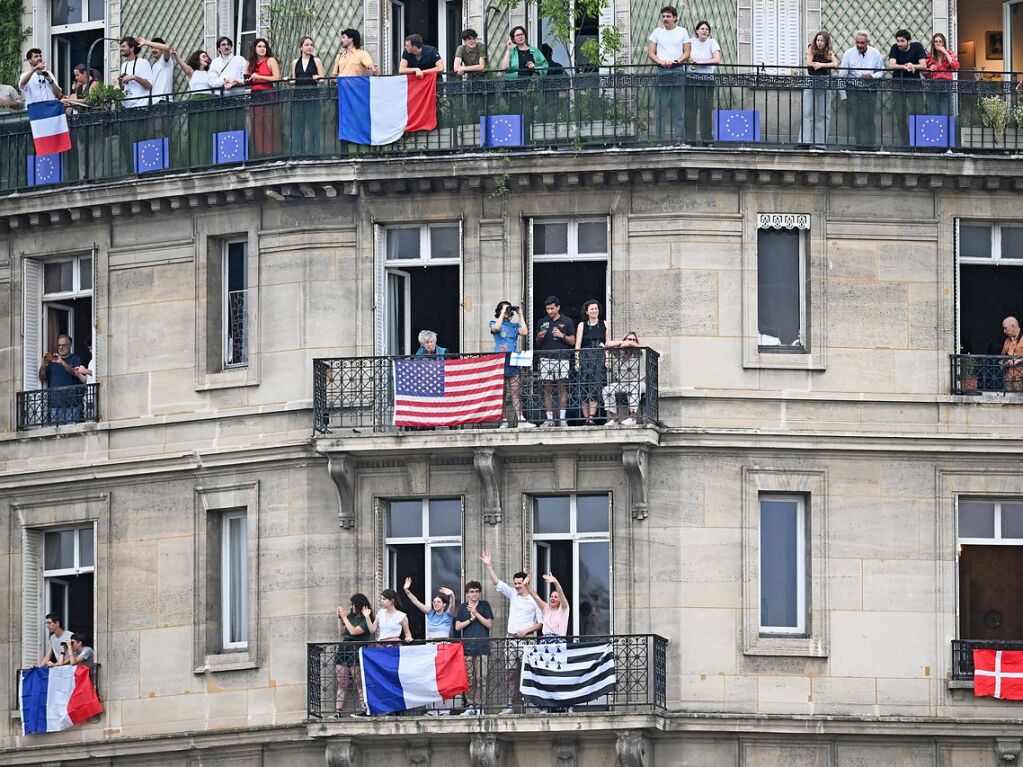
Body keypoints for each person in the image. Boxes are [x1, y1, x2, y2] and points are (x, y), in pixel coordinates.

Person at [480, 550, 543, 713]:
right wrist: (489, 566)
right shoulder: (513, 594)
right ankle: (509, 705)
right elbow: (497, 583)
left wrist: (527, 630)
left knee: (529, 672)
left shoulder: (533, 600)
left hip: (527, 640)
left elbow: (541, 623)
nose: (516, 586)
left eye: (519, 583)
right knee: (511, 674)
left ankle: (532, 704)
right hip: (510, 639)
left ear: (526, 583)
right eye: (515, 583)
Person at [647, 7, 690, 140]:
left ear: (675, 17)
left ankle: (679, 138)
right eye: (664, 16)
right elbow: (650, 53)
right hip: (662, 71)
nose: (665, 19)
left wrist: (676, 61)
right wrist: (660, 61)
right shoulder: (657, 32)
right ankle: (660, 139)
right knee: (661, 107)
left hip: (677, 70)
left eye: (668, 16)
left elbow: (687, 52)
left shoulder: (682, 31)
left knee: (678, 107)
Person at [491, 301, 535, 429]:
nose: (507, 312)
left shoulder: (514, 326)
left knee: (515, 391)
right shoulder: (494, 322)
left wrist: (520, 315)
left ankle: (521, 420)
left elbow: (525, 331)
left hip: (513, 360)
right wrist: (502, 311)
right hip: (500, 360)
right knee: (502, 393)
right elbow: (496, 329)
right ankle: (503, 420)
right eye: (505, 310)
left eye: (508, 310)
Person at [839, 31, 885, 149]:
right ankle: (860, 145)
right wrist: (843, 96)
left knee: (869, 118)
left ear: (868, 42)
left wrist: (872, 76)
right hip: (853, 90)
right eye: (857, 42)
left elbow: (882, 71)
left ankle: (870, 145)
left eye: (862, 43)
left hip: (870, 90)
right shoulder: (848, 54)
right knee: (857, 118)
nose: (859, 45)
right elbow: (842, 76)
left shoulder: (875, 53)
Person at [536, 296, 576, 427]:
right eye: (547, 309)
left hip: (562, 358)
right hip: (545, 358)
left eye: (552, 308)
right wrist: (539, 337)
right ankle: (549, 419)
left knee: (562, 388)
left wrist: (561, 335)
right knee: (546, 389)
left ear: (558, 307)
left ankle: (562, 419)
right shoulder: (542, 321)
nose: (550, 311)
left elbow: (573, 341)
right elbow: (537, 343)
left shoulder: (567, 321)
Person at [454, 581, 493, 715]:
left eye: (476, 591)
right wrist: (470, 619)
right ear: (467, 594)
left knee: (482, 677)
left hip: (482, 647)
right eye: (471, 591)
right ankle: (470, 705)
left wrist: (476, 613)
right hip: (467, 648)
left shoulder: (484, 605)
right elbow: (457, 627)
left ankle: (480, 706)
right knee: (469, 678)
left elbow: (489, 624)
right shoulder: (462, 607)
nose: (474, 594)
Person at [171, 48, 216, 166]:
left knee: (208, 132)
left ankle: (208, 161)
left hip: (208, 104)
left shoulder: (210, 73)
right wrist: (176, 55)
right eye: (203, 56)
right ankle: (196, 162)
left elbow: (213, 90)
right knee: (196, 133)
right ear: (198, 59)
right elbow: (182, 64)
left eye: (207, 56)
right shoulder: (192, 72)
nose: (206, 58)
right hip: (196, 103)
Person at [887, 30, 927, 147]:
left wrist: (912, 66)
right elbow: (892, 65)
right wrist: (906, 67)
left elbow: (923, 65)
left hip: (914, 84)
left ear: (909, 41)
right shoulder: (894, 48)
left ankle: (918, 142)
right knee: (900, 115)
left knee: (918, 113)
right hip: (898, 84)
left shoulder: (917, 47)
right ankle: (906, 143)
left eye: (902, 41)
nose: (899, 43)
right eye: (898, 41)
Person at [335, 593, 372, 715]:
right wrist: (340, 619)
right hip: (344, 648)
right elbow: (342, 632)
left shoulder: (365, 620)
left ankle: (365, 709)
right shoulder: (350, 616)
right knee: (341, 681)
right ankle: (338, 711)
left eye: (353, 604)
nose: (351, 607)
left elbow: (354, 631)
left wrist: (345, 617)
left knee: (359, 682)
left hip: (356, 649)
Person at [685, 21, 719, 146]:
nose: (705, 31)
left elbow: (716, 60)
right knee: (690, 110)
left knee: (706, 110)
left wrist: (701, 62)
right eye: (702, 28)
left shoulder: (712, 42)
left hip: (707, 80)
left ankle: (707, 140)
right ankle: (690, 140)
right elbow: (685, 54)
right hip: (691, 78)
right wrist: (690, 59)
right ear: (697, 31)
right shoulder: (691, 42)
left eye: (707, 29)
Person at [290, 36, 326, 156]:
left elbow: (322, 79)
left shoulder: (316, 61)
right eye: (306, 45)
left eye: (311, 45)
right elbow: (294, 80)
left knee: (313, 125)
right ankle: (298, 153)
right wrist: (287, 80)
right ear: (301, 47)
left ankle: (314, 153)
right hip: (298, 96)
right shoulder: (295, 62)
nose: (309, 47)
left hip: (312, 95)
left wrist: (318, 78)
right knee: (298, 125)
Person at [800, 31, 837, 147]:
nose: (819, 43)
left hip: (824, 80)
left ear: (826, 42)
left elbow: (835, 63)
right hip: (811, 80)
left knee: (823, 113)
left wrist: (822, 65)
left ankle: (820, 143)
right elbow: (809, 62)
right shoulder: (811, 48)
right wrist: (819, 64)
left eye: (822, 41)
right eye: (818, 40)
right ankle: (805, 142)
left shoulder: (828, 51)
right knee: (807, 111)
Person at [246, 38, 282, 157]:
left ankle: (272, 153)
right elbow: (248, 80)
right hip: (255, 95)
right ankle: (259, 154)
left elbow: (277, 78)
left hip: (268, 93)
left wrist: (260, 76)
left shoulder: (270, 60)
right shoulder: (250, 63)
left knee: (270, 124)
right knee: (257, 125)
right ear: (254, 49)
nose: (262, 49)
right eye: (259, 46)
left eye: (264, 46)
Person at [574, 299, 607, 425]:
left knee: (595, 384)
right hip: (585, 355)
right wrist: (577, 361)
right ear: (587, 312)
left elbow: (607, 343)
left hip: (599, 356)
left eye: (596, 308)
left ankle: (591, 417)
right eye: (592, 309)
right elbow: (578, 344)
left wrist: (607, 358)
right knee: (583, 385)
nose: (595, 311)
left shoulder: (605, 324)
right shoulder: (582, 325)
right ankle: (586, 417)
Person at [38, 334, 83, 425]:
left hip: (72, 404)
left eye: (63, 345)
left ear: (70, 345)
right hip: (55, 405)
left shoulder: (75, 359)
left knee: (71, 434)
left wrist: (62, 362)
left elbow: (75, 372)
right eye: (59, 345)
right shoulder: (52, 362)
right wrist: (43, 364)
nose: (61, 347)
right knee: (56, 436)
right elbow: (42, 378)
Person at [602, 332, 644, 426]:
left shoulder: (638, 352)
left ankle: (632, 417)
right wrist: (622, 342)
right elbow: (607, 345)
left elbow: (635, 346)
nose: (631, 342)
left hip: (639, 382)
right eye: (629, 339)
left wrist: (628, 343)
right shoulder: (619, 353)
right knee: (606, 390)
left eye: (634, 339)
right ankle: (614, 418)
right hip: (623, 384)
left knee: (634, 387)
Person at [454, 29, 487, 123]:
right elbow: (456, 67)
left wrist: (463, 69)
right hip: (471, 80)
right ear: (465, 41)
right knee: (471, 106)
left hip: (485, 78)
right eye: (469, 39)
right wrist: (460, 68)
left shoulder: (481, 47)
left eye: (474, 38)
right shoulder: (461, 48)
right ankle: (471, 125)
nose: (472, 41)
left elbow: (481, 67)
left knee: (486, 106)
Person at [524, 572, 570, 638]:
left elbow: (561, 595)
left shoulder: (564, 609)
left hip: (558, 642)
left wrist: (556, 583)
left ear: (560, 600)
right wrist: (527, 586)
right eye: (551, 596)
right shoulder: (546, 608)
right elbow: (536, 597)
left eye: (556, 597)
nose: (552, 598)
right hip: (545, 641)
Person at [925, 33, 958, 116]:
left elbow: (955, 66)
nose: (938, 43)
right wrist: (929, 69)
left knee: (944, 110)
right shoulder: (930, 56)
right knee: (933, 110)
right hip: (933, 84)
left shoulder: (950, 54)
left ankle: (945, 128)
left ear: (944, 43)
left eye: (940, 41)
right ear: (933, 43)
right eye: (936, 41)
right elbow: (924, 72)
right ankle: (934, 128)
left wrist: (945, 53)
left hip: (946, 84)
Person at [118, 36, 154, 108]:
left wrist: (134, 77)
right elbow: (124, 87)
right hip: (126, 106)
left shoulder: (143, 62)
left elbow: (150, 85)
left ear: (132, 48)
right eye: (121, 47)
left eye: (124, 46)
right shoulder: (124, 65)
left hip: (140, 105)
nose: (121, 49)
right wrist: (120, 82)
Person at [137, 37, 174, 103]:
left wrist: (146, 42)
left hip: (164, 100)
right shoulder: (154, 66)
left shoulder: (165, 61)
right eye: (152, 48)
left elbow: (167, 48)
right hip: (155, 102)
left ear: (162, 49)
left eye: (156, 47)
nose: (153, 50)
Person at [1001, 316, 1023, 392]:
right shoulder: (1007, 340)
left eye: (1005, 328)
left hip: (1020, 379)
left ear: (1013, 326)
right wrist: (1005, 362)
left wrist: (1019, 360)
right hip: (1008, 380)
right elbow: (1002, 358)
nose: (1004, 331)